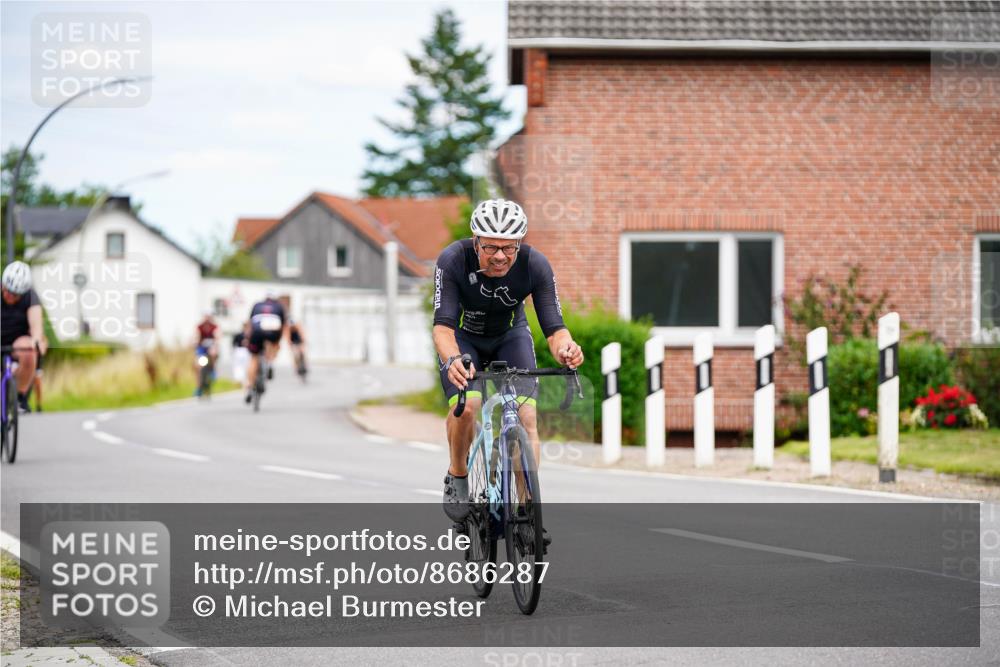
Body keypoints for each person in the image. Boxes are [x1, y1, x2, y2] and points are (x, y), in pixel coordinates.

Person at [432, 199, 584, 527]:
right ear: (475, 242)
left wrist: (567, 349)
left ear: (519, 244)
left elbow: (555, 329)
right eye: (490, 247)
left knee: (526, 415)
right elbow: (442, 327)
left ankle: (526, 507)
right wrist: (453, 359)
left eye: (509, 248)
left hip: (509, 338)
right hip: (464, 342)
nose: (500, 256)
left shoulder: (535, 265)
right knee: (468, 407)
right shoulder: (453, 261)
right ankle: (458, 476)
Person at [0, 261, 47, 413]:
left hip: (17, 340)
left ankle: (19, 396)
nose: (8, 295)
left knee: (29, 351)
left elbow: (36, 326)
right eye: (6, 290)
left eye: (14, 294)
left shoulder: (31, 297)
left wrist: (36, 340)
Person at [244, 291, 286, 402]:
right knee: (273, 345)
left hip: (256, 331)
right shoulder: (279, 306)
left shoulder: (257, 305)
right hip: (272, 330)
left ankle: (249, 387)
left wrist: (247, 339)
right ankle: (270, 363)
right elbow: (283, 325)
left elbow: (250, 323)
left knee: (253, 358)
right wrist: (278, 342)